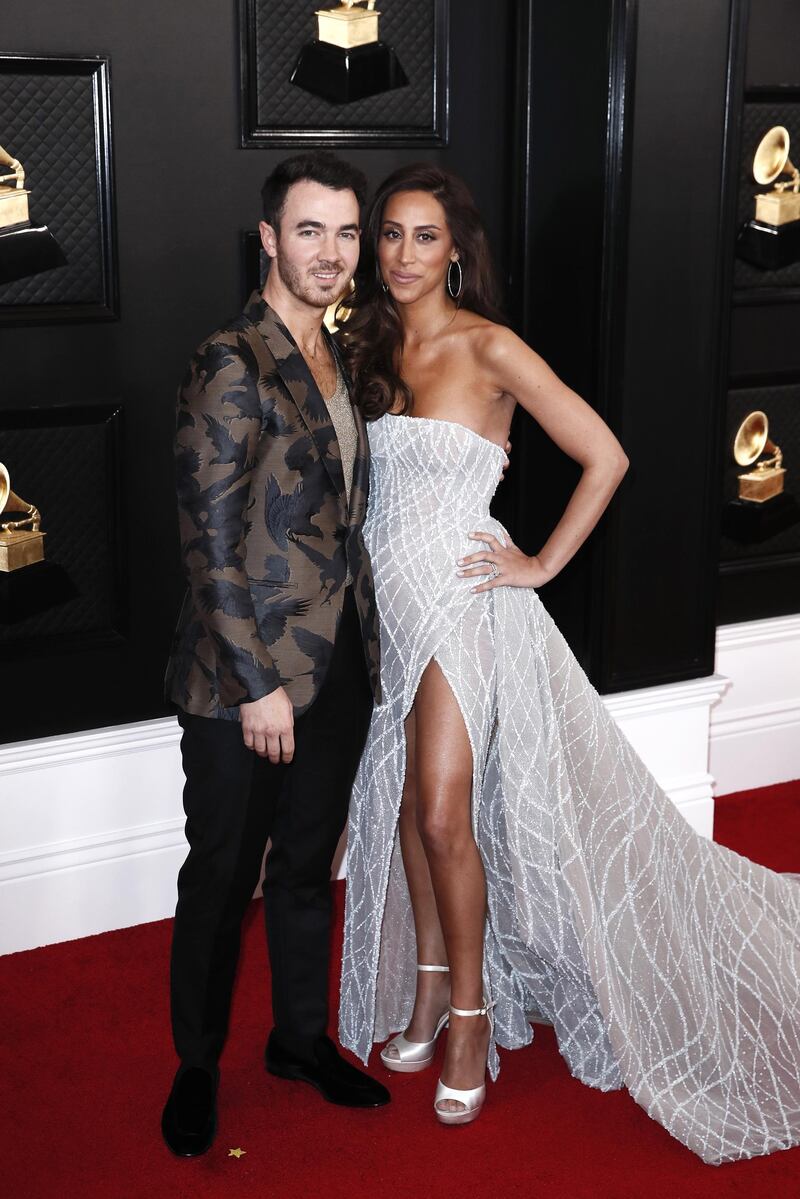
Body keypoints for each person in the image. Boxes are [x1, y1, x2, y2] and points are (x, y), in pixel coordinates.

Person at [337, 163, 800, 1163]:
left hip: (464, 606)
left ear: (456, 248)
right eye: (389, 236)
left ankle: (468, 1015)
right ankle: (424, 980)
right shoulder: (367, 342)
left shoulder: (488, 346)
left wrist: (536, 561)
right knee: (407, 801)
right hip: (389, 612)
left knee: (440, 811)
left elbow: (605, 454)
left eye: (423, 237)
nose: (402, 255)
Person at [161, 151, 389, 1158]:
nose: (331, 252)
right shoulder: (230, 357)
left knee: (305, 866)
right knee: (221, 877)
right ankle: (197, 1065)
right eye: (309, 230)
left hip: (336, 663)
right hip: (239, 684)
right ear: (267, 239)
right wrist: (257, 688)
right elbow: (206, 546)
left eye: (346, 232)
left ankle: (298, 1039)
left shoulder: (337, 356)